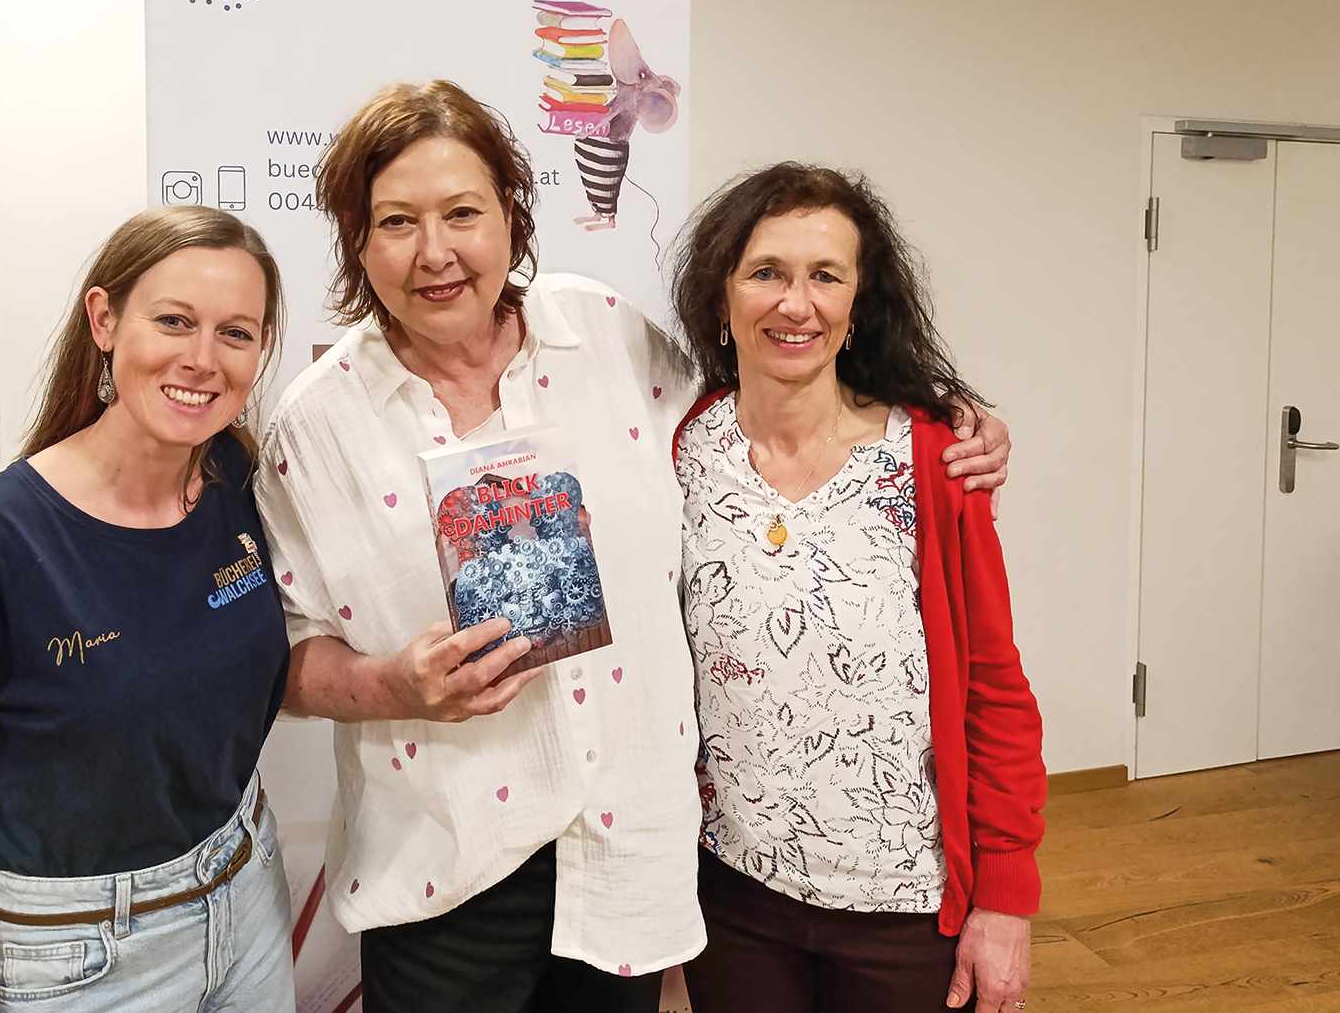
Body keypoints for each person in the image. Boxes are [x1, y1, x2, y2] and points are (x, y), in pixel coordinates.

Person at [253, 81, 1014, 1013]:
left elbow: (762, 402)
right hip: (447, 874)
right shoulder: (313, 430)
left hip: (627, 860)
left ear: (511, 214)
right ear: (357, 240)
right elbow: (277, 658)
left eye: (463, 213)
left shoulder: (606, 334)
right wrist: (390, 688)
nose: (436, 251)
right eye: (397, 222)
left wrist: (941, 417)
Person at [670, 164, 1045, 1013]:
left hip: (907, 909)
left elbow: (993, 687)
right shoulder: (682, 450)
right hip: (732, 896)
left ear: (858, 305)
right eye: (766, 272)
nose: (795, 304)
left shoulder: (935, 461)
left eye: (825, 276)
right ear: (721, 298)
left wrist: (1006, 898)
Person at [0, 206, 295, 1012]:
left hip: (247, 890)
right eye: (174, 321)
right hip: (79, 956)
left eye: (235, 333)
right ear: (104, 320)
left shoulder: (234, 479)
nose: (202, 360)